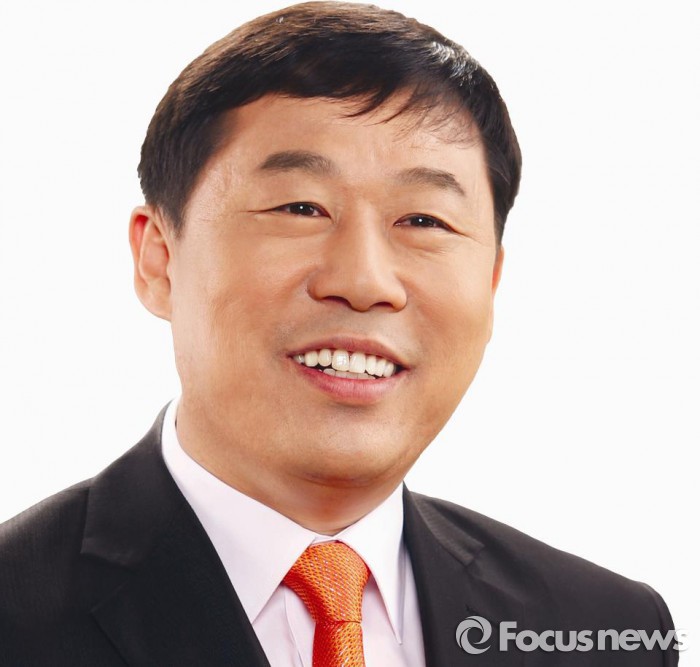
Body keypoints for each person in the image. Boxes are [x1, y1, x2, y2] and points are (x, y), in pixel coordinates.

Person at [0, 2, 679, 665]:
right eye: (301, 207)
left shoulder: (604, 630)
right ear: (159, 260)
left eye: (424, 221)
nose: (364, 280)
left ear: (492, 281)